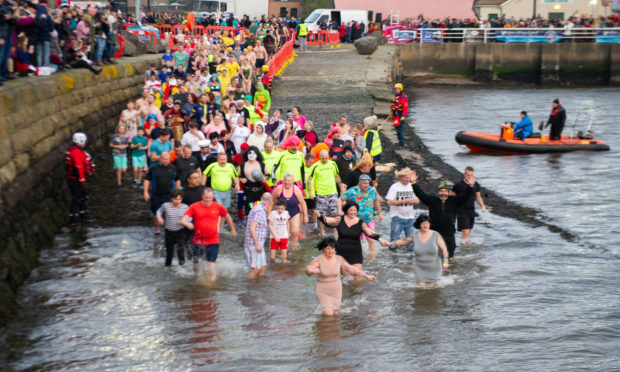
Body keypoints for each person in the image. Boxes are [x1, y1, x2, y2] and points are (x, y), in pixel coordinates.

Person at [411, 170, 476, 260]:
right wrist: (413, 183)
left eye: (445, 191)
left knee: (450, 256)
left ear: (448, 192)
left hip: (449, 232)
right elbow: (421, 194)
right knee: (434, 255)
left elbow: (465, 196)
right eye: (441, 191)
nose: (443, 193)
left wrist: (471, 187)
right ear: (438, 192)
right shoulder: (432, 200)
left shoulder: (454, 201)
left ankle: (450, 272)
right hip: (434, 231)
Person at [316, 202, 387, 283]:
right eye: (351, 210)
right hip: (341, 253)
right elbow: (327, 220)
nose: (353, 212)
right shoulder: (339, 219)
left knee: (358, 278)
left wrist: (380, 239)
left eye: (355, 210)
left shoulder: (361, 223)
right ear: (347, 210)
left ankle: (359, 295)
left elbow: (370, 232)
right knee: (345, 279)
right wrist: (319, 215)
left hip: (355, 253)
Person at [305, 237, 376, 316]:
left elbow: (351, 269)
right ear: (323, 248)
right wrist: (312, 271)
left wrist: (366, 276)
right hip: (323, 290)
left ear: (335, 249)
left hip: (336, 290)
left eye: (332, 249)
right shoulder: (319, 259)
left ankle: (330, 327)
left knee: (335, 313)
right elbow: (308, 269)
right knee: (328, 313)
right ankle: (323, 325)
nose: (330, 251)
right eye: (328, 249)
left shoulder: (339, 259)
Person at [180, 188, 237, 281]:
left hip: (213, 240)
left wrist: (233, 229)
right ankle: (196, 281)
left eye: (210, 197)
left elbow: (228, 217)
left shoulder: (218, 206)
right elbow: (184, 219)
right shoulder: (194, 206)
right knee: (196, 267)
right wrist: (186, 223)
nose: (207, 199)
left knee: (211, 266)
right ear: (202, 196)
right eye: (206, 197)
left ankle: (211, 289)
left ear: (213, 197)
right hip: (198, 240)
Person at [388, 214, 449, 286]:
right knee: (421, 289)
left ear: (429, 224)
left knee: (432, 290)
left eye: (427, 223)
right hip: (419, 268)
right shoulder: (415, 235)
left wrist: (445, 261)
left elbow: (444, 249)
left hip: (434, 268)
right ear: (419, 225)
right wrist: (390, 244)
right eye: (423, 224)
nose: (425, 225)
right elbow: (403, 241)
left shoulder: (435, 235)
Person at [339, 174, 382, 255]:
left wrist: (380, 213)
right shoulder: (352, 191)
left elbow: (376, 200)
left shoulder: (371, 190)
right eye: (364, 183)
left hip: (369, 219)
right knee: (356, 241)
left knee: (371, 240)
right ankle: (354, 257)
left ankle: (372, 262)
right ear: (359, 182)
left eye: (368, 183)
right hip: (356, 221)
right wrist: (340, 210)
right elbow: (340, 199)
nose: (366, 185)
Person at [143, 152, 180, 235]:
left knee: (170, 213)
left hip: (170, 195)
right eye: (164, 159)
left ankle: (169, 229)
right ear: (160, 159)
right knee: (156, 214)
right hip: (157, 195)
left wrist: (178, 192)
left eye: (167, 159)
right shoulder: (153, 168)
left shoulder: (173, 168)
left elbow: (177, 180)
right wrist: (145, 192)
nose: (166, 161)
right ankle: (157, 229)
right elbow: (147, 180)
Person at [271, 172, 308, 251]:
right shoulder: (279, 189)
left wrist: (305, 216)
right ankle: (283, 250)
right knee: (284, 234)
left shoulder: (296, 189)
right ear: (283, 180)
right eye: (286, 180)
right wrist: (269, 214)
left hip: (294, 212)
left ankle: (292, 250)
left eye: (289, 181)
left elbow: (303, 203)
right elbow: (272, 201)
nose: (287, 182)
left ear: (292, 181)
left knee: (295, 233)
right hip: (282, 214)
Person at [65, 132, 96, 225]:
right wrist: (82, 179)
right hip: (76, 180)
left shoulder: (72, 150)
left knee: (81, 198)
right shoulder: (76, 152)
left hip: (74, 179)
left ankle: (82, 217)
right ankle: (76, 219)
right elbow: (79, 166)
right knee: (79, 198)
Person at [308, 150, 341, 235]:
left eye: (326, 158)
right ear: (320, 157)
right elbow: (309, 179)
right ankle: (322, 232)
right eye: (323, 159)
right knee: (321, 214)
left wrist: (341, 189)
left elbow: (337, 177)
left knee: (334, 213)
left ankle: (335, 232)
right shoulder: (315, 166)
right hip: (321, 193)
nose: (325, 160)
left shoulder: (333, 164)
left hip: (333, 191)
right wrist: (310, 192)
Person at [386, 168, 419, 250]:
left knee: (411, 243)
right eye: (406, 177)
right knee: (394, 242)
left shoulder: (412, 186)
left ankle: (409, 262)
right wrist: (404, 201)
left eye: (409, 177)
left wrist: (413, 202)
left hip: (410, 218)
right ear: (400, 177)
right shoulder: (395, 187)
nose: (408, 179)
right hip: (397, 217)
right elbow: (389, 202)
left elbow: (418, 200)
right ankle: (393, 260)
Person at [452, 166, 487, 243]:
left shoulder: (476, 184)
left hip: (471, 210)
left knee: (468, 233)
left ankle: (464, 247)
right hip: (461, 210)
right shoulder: (458, 185)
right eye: (468, 175)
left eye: (472, 175)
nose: (470, 177)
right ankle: (465, 251)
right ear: (464, 174)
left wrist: (483, 206)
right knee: (466, 232)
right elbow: (451, 196)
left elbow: (478, 197)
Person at [156, 189, 188, 266]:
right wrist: (159, 218)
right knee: (169, 252)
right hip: (169, 231)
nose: (177, 201)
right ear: (171, 199)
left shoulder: (185, 207)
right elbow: (159, 211)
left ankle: (182, 268)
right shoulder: (166, 205)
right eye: (175, 199)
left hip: (180, 232)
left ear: (181, 199)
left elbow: (190, 217)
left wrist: (184, 222)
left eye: (179, 199)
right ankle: (167, 268)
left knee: (181, 252)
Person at [244, 192, 272, 278]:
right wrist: (257, 245)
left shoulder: (259, 208)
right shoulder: (260, 210)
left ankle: (258, 289)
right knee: (256, 269)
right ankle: (249, 288)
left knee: (263, 267)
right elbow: (252, 228)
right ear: (270, 201)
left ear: (261, 198)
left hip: (259, 244)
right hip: (253, 244)